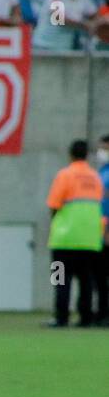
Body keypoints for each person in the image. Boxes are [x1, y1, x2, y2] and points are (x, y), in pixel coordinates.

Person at [45, 139, 105, 328]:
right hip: (89, 240)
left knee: (60, 279)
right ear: (87, 155)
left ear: (70, 154)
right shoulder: (96, 177)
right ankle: (85, 318)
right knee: (86, 281)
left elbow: (54, 205)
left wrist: (56, 223)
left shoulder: (65, 175)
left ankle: (61, 317)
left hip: (63, 240)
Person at [32, 0, 99, 50]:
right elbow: (57, 19)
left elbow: (95, 15)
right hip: (44, 43)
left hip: (64, 46)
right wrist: (84, 24)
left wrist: (95, 23)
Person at [95, 134, 109, 325]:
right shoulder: (99, 173)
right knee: (99, 278)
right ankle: (101, 313)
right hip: (96, 234)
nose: (102, 153)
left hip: (105, 232)